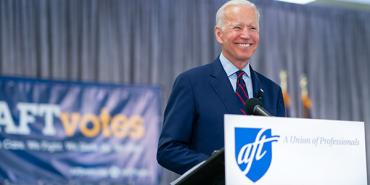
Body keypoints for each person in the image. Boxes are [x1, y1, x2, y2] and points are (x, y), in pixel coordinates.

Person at [157, 0, 285, 175]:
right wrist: (217, 167)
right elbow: (168, 150)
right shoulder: (191, 82)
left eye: (253, 28)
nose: (246, 35)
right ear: (219, 34)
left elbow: (279, 150)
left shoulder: (272, 91)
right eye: (237, 28)